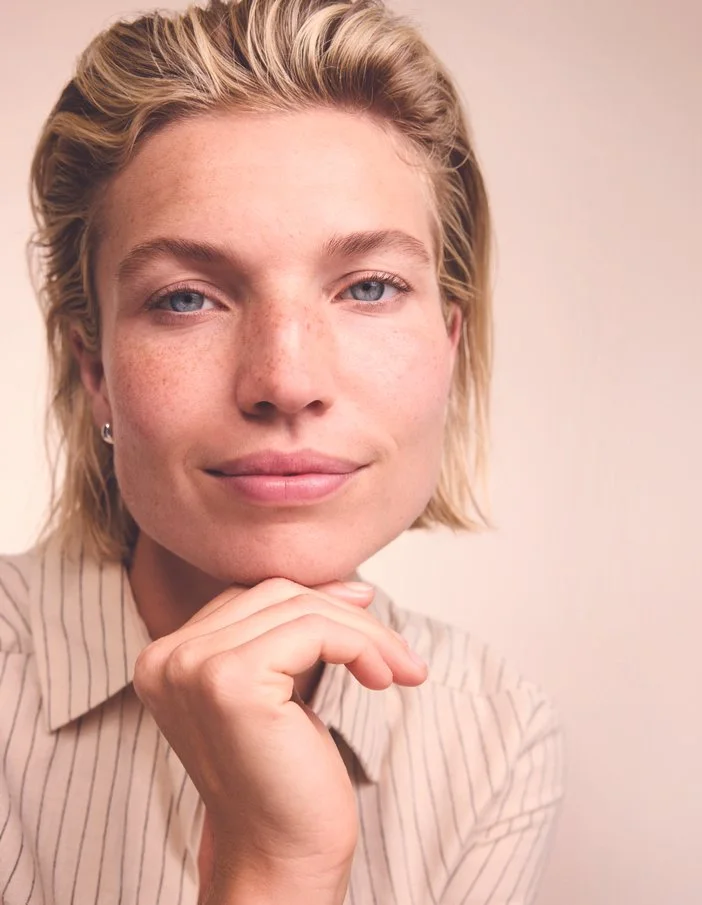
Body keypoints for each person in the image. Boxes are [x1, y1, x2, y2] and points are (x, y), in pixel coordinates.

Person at [0, 0, 565, 902]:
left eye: (369, 286)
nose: (284, 377)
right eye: (186, 298)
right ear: (94, 368)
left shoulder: (487, 731)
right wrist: (277, 867)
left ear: (450, 343)